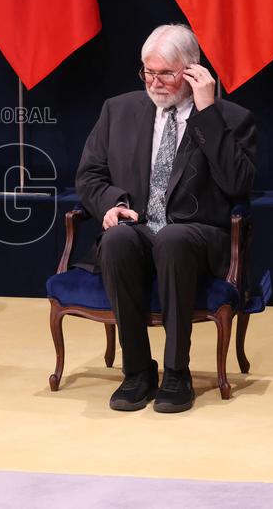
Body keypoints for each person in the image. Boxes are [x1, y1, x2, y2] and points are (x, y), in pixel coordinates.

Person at [75, 23, 257, 414]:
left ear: (192, 71)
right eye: (148, 72)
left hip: (199, 235)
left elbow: (238, 183)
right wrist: (112, 204)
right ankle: (137, 371)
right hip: (140, 228)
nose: (155, 83)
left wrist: (207, 113)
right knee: (117, 239)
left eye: (166, 74)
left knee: (173, 238)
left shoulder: (231, 118)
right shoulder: (118, 110)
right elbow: (89, 176)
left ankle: (177, 372)